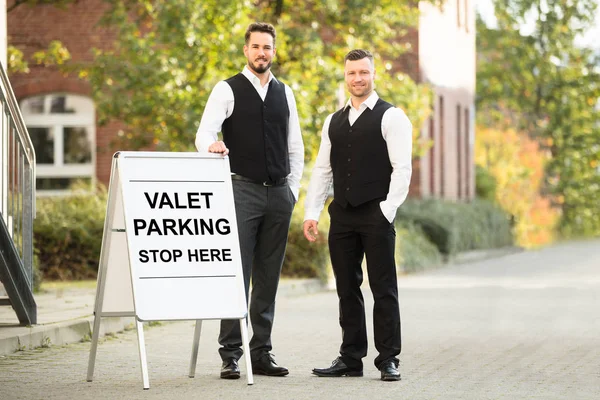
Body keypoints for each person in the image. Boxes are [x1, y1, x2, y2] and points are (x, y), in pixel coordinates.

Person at [195, 22, 304, 380]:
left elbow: (294, 146)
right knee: (236, 275)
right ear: (246, 50)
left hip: (279, 194)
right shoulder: (227, 89)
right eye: (256, 46)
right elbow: (205, 132)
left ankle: (262, 352)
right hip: (241, 192)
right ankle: (230, 354)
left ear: (274, 51)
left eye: (267, 47)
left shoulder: (285, 93)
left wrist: (293, 190)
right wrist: (211, 146)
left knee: (268, 278)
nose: (262, 53)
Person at [303, 49, 412, 382]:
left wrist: (387, 210)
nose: (358, 78)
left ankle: (388, 358)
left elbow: (402, 169)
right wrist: (312, 212)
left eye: (363, 72)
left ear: (374, 74)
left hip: (376, 213)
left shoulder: (392, 117)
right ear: (346, 76)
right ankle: (351, 357)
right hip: (343, 216)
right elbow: (322, 170)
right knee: (346, 289)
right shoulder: (333, 121)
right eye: (352, 73)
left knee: (383, 288)